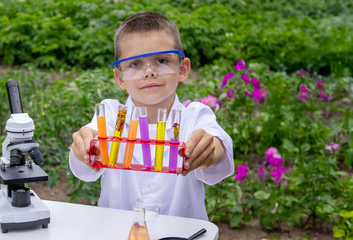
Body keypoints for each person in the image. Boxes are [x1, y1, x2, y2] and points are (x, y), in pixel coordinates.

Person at [69, 11, 234, 220]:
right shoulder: (111, 116)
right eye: (135, 64)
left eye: (162, 60)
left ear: (182, 69)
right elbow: (84, 169)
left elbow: (220, 154)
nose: (149, 72)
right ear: (120, 78)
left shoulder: (195, 117)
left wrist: (212, 150)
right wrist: (84, 148)